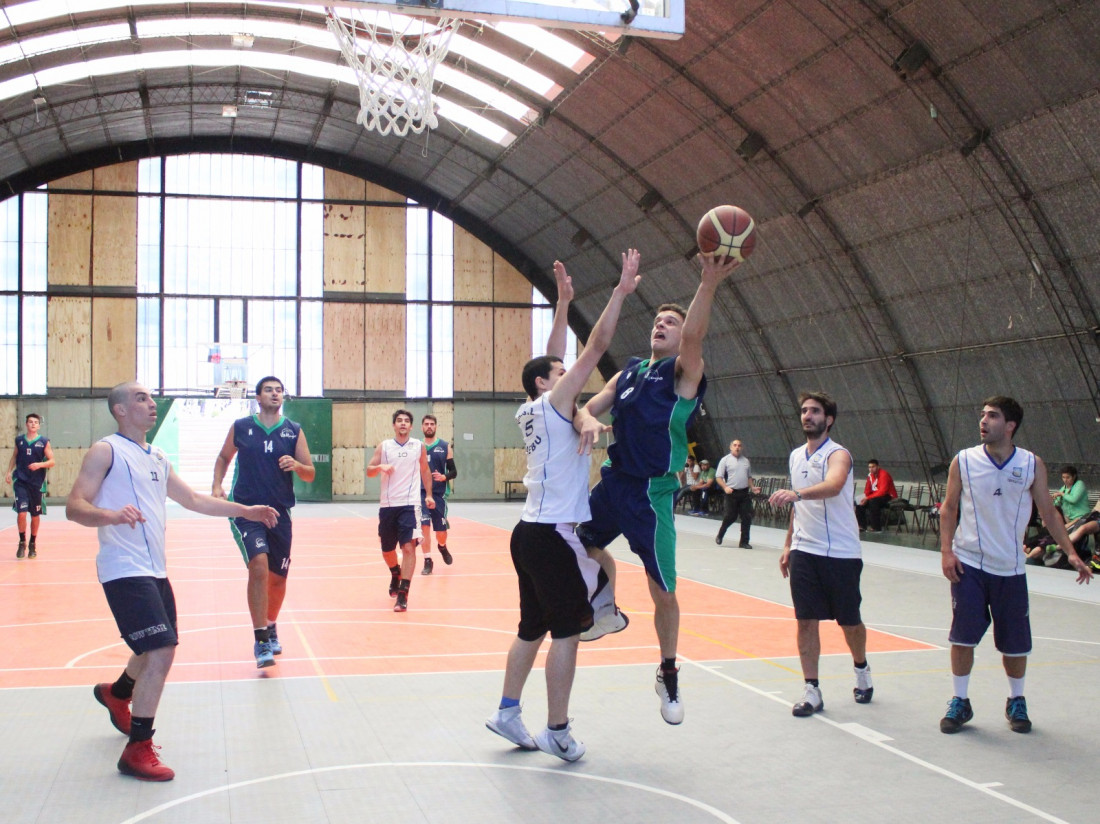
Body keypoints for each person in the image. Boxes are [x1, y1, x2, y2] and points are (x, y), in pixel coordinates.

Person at [67, 381, 278, 781]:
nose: (151, 404)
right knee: (162, 650)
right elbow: (75, 507)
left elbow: (195, 500)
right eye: (141, 399)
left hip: (155, 570)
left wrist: (245, 510)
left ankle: (118, 693)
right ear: (120, 411)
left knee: (150, 649)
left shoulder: (157, 457)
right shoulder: (106, 451)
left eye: (150, 397)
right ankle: (138, 748)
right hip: (123, 569)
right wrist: (110, 516)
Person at [575, 253, 741, 725]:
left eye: (671, 321)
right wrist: (586, 418)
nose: (662, 325)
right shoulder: (628, 371)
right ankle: (605, 601)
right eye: (657, 320)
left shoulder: (682, 376)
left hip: (653, 495)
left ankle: (668, 671)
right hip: (614, 484)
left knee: (663, 591)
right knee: (574, 542)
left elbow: (695, 337)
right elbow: (595, 404)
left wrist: (708, 282)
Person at [486, 250, 640, 762]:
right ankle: (558, 727)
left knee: (531, 627)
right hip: (554, 534)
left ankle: (508, 712)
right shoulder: (554, 402)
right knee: (566, 631)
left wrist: (563, 303)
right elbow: (594, 347)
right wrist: (618, 292)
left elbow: (549, 357)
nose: (570, 369)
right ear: (547, 383)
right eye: (562, 371)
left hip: (528, 533)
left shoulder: (535, 408)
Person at [938, 396, 1092, 735]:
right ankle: (960, 701)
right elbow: (949, 508)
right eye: (982, 415)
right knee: (962, 637)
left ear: (1010, 426)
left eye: (992, 416)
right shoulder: (963, 461)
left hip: (1010, 568)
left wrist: (1070, 552)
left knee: (1015, 642)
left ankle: (1016, 700)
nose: (983, 420)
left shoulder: (1030, 464)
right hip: (969, 564)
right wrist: (946, 551)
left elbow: (1049, 513)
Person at [768, 391, 874, 717]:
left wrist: (796, 494)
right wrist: (788, 545)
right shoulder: (796, 455)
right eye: (803, 411)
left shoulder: (838, 454)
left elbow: (835, 485)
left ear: (828, 419)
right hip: (804, 550)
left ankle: (861, 669)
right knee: (805, 620)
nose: (807, 416)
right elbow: (796, 508)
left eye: (814, 411)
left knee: (849, 621)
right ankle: (811, 689)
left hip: (841, 553)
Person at [212, 376, 315, 668]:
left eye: (279, 390)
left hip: (280, 513)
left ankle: (270, 626)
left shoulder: (293, 430)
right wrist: (216, 485)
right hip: (246, 510)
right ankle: (260, 640)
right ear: (257, 397)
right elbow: (223, 457)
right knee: (258, 565)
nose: (274, 394)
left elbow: (309, 473)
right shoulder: (242, 427)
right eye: (268, 390)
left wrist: (296, 465)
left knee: (278, 577)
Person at [367, 409, 435, 612]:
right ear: (394, 425)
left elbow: (425, 469)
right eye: (399, 421)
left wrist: (429, 495)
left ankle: (403, 594)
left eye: (406, 421)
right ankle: (394, 572)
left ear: (411, 426)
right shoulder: (385, 447)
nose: (403, 424)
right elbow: (369, 470)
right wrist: (380, 467)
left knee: (408, 548)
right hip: (388, 505)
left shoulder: (418, 446)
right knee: (387, 550)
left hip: (410, 504)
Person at [5, 412, 54, 558]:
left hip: (36, 484)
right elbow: (14, 456)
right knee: (21, 513)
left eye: (36, 422)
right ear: (26, 424)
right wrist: (8, 472)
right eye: (30, 422)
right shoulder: (19, 440)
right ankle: (22, 542)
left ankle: (33, 543)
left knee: (35, 515)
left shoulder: (44, 441)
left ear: (39, 425)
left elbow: (52, 461)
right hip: (21, 482)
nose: (33, 424)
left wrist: (39, 464)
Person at [419, 414, 457, 575]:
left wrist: (444, 477)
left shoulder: (444, 446)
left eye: (432, 424)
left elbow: (454, 471)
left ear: (435, 427)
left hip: (439, 494)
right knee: (424, 526)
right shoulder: (416, 446)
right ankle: (427, 560)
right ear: (422, 427)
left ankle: (442, 546)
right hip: (420, 493)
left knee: (440, 532)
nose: (429, 426)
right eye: (426, 424)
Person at [715, 439, 760, 548]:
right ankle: (721, 534)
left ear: (742, 448)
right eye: (735, 445)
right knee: (731, 516)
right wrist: (725, 487)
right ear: (731, 447)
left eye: (739, 445)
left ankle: (744, 541)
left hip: (744, 493)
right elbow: (718, 477)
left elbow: (748, 477)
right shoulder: (725, 460)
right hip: (731, 492)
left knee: (747, 517)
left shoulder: (746, 461)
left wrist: (752, 487)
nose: (737, 447)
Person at [854, 459, 897, 534]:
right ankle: (861, 526)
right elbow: (867, 489)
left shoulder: (884, 474)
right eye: (869, 467)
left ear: (878, 467)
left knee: (873, 502)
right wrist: (864, 498)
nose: (871, 469)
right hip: (874, 496)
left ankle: (876, 527)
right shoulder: (870, 476)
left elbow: (882, 491)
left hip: (888, 496)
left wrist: (868, 498)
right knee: (859, 502)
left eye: (873, 467)